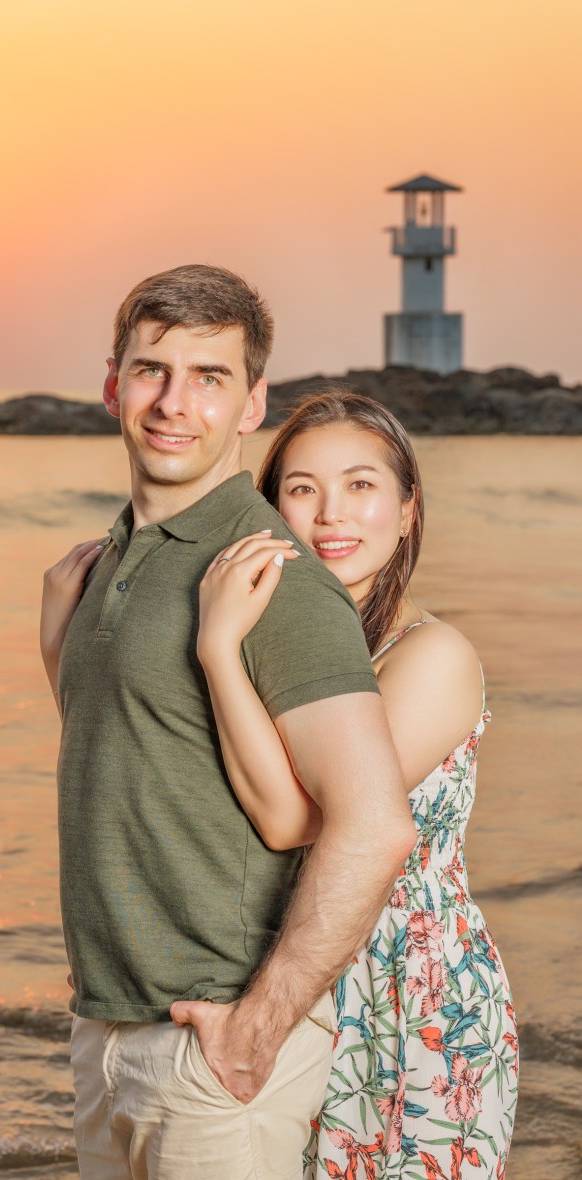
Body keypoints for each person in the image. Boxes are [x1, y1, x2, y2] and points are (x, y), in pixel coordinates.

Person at [40, 264, 416, 1180]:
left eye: (209, 378)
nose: (174, 403)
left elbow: (374, 827)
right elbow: (135, 762)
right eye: (151, 370)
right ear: (113, 386)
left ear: (251, 405)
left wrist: (259, 1026)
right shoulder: (104, 562)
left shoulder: (270, 576)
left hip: (212, 1050)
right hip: (109, 1028)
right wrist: (58, 642)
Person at [194, 389, 519, 1179]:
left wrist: (216, 650)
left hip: (414, 998)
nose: (330, 514)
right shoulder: (281, 651)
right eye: (301, 489)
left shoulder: (430, 657)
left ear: (407, 510)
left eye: (360, 485)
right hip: (291, 974)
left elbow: (295, 822)